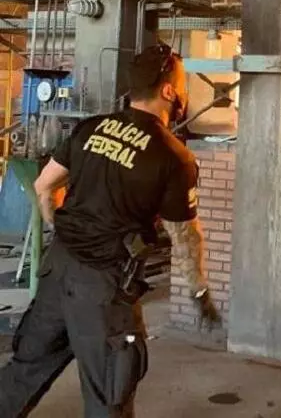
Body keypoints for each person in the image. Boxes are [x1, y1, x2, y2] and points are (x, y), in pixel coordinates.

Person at [0, 44, 221, 417]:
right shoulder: (173, 157)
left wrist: (64, 230)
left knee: (23, 372)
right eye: (182, 86)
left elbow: (43, 186)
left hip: (58, 270)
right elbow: (185, 237)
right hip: (103, 289)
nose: (183, 94)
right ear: (169, 91)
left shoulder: (91, 128)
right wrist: (199, 291)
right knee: (109, 395)